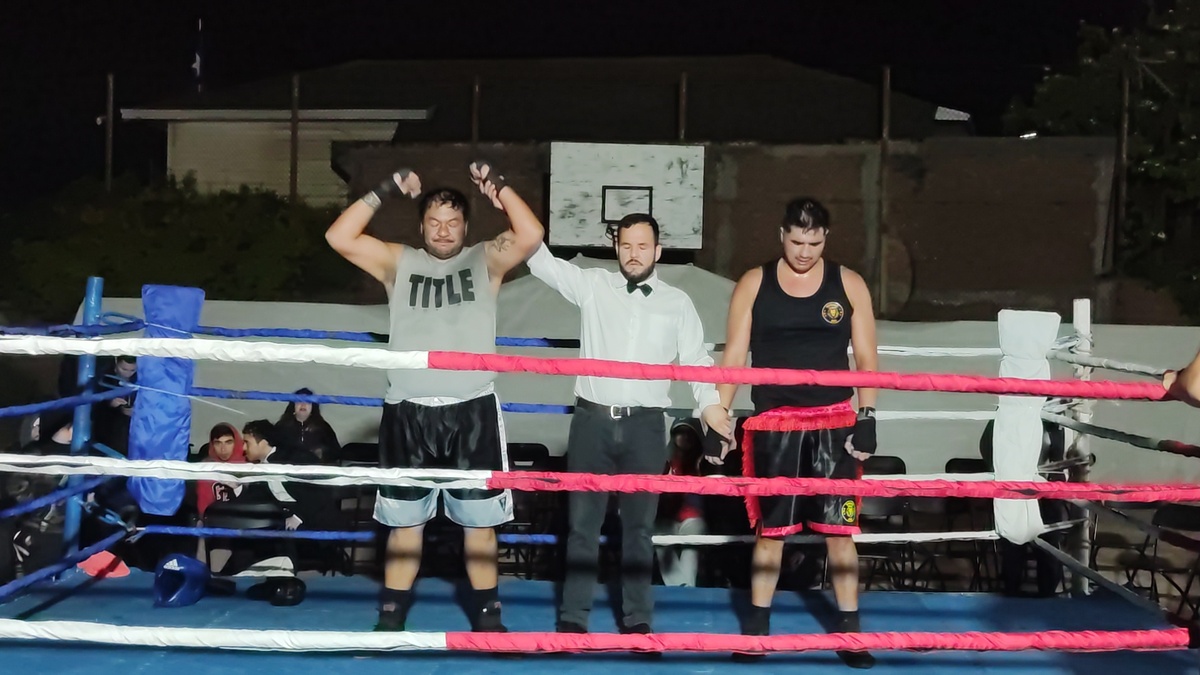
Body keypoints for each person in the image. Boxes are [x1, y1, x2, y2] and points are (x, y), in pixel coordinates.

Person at [495, 193, 730, 634]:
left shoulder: (677, 302)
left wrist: (712, 408)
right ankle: (573, 618)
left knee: (639, 529)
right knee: (582, 527)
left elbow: (697, 361)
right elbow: (539, 258)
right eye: (626, 245)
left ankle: (638, 619)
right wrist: (506, 197)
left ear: (658, 250)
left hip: (646, 426)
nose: (633, 254)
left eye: (642, 246)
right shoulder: (593, 286)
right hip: (592, 422)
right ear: (615, 247)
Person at [325, 161, 544, 632]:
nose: (443, 231)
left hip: (472, 410)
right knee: (405, 526)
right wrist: (386, 187)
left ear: (465, 226)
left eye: (452, 222)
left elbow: (531, 233)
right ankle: (391, 619)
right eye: (434, 222)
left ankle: (488, 620)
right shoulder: (397, 261)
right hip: (407, 410)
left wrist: (499, 187)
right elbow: (338, 236)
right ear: (421, 225)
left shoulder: (486, 259)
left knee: (479, 526)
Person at [715, 197, 878, 668]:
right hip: (775, 424)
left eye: (814, 243)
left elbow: (866, 357)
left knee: (840, 531)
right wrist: (719, 415)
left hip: (835, 424)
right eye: (796, 241)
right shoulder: (754, 282)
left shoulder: (848, 283)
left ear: (826, 239)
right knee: (771, 532)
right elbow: (735, 355)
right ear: (781, 235)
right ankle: (756, 630)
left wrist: (868, 415)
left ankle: (850, 632)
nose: (805, 252)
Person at [654, 421, 707, 587]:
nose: (684, 437)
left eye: (688, 433)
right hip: (668, 518)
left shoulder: (704, 461)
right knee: (660, 540)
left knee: (691, 546)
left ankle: (683, 588)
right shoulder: (665, 462)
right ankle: (682, 587)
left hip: (693, 517)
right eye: (679, 433)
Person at [275, 388, 341, 464]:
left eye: (308, 401)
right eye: (299, 401)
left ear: (313, 406)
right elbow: (273, 451)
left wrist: (321, 452)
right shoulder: (282, 426)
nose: (303, 405)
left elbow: (336, 452)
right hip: (287, 468)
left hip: (316, 467)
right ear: (293, 405)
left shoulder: (323, 427)